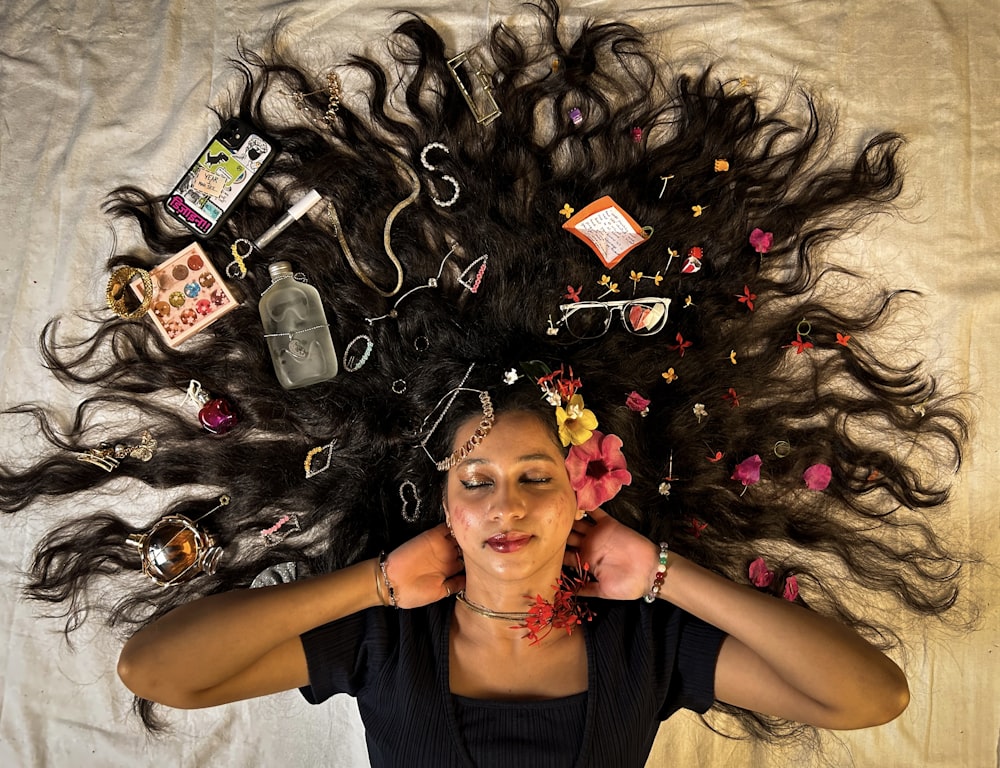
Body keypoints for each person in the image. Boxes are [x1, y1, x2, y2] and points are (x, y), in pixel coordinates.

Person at [3, 0, 967, 764]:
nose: (504, 502)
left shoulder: (646, 644)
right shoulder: (386, 638)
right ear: (444, 507)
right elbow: (158, 671)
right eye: (478, 480)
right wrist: (377, 583)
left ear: (584, 492)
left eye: (534, 476)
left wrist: (664, 576)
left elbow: (871, 698)